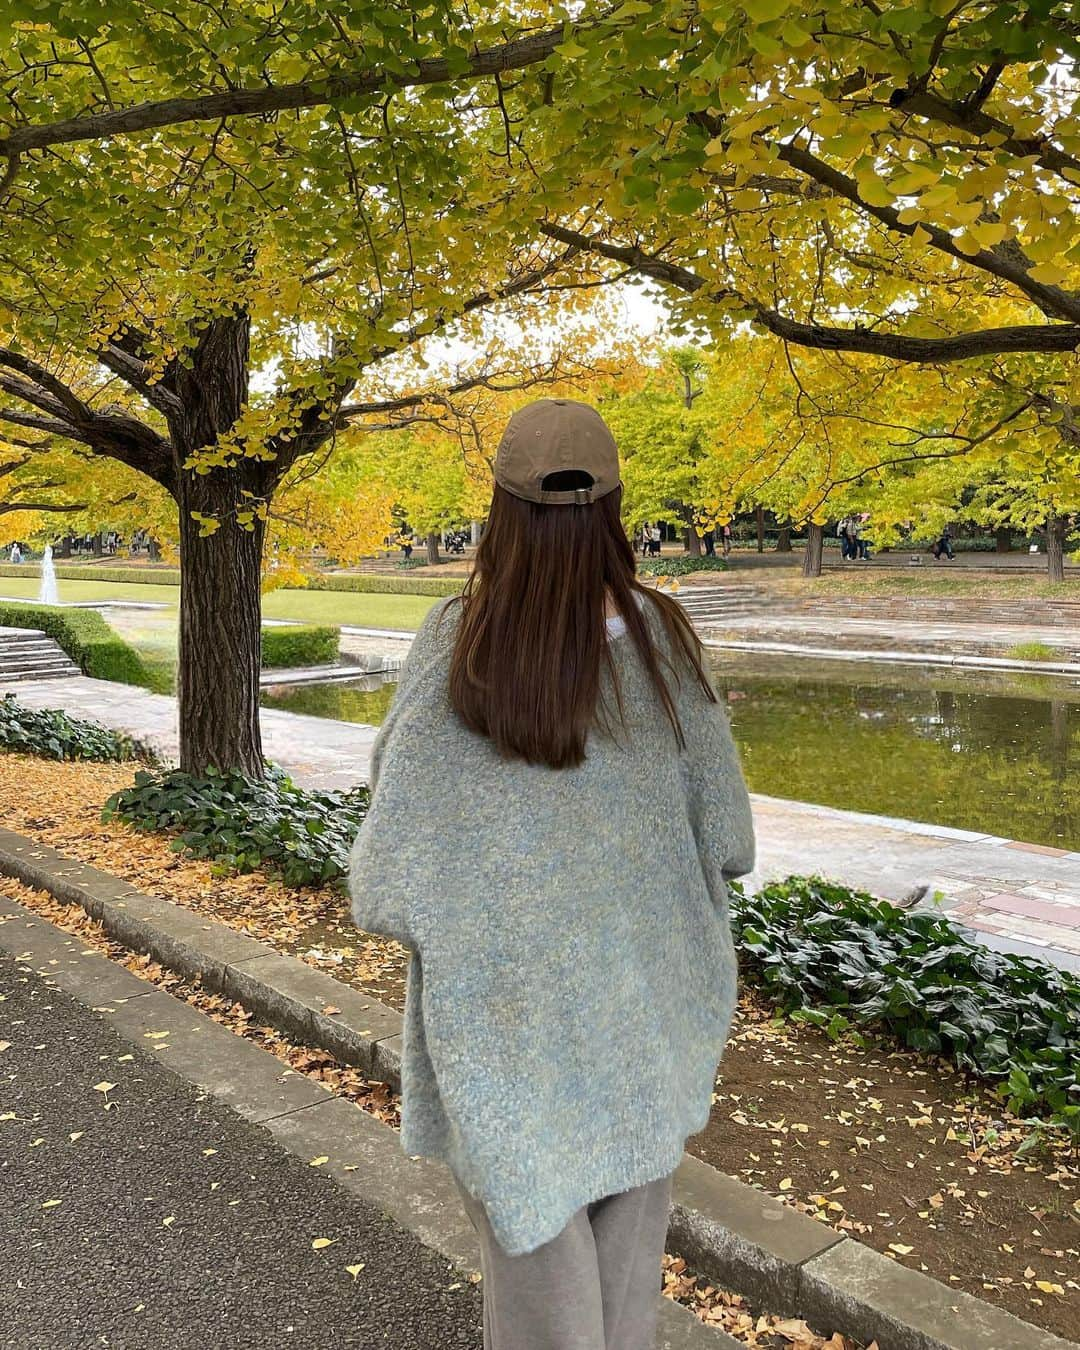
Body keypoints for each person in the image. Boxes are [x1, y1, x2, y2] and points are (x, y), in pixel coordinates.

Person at [348, 398, 755, 1350]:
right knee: (622, 1290)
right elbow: (729, 836)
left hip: (506, 1029)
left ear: (500, 509)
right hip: (648, 1004)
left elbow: (389, 869)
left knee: (539, 1291)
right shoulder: (662, 640)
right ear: (614, 510)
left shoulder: (459, 639)